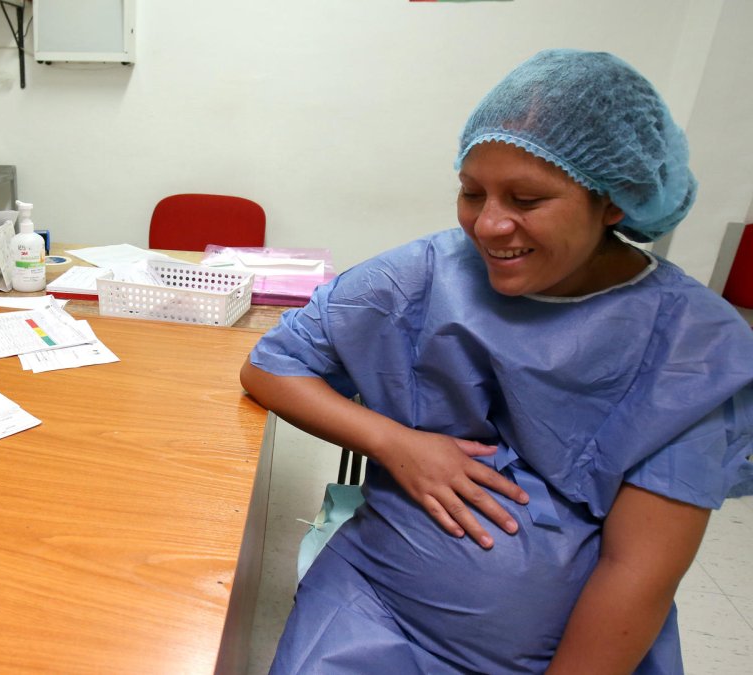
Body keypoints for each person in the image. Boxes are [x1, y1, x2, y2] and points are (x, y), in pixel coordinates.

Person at [241, 49, 753, 673]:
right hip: (370, 604)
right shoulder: (426, 273)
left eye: (527, 199)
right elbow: (271, 365)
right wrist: (396, 442)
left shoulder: (691, 345)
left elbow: (638, 570)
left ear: (613, 201)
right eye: (471, 192)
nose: (487, 225)